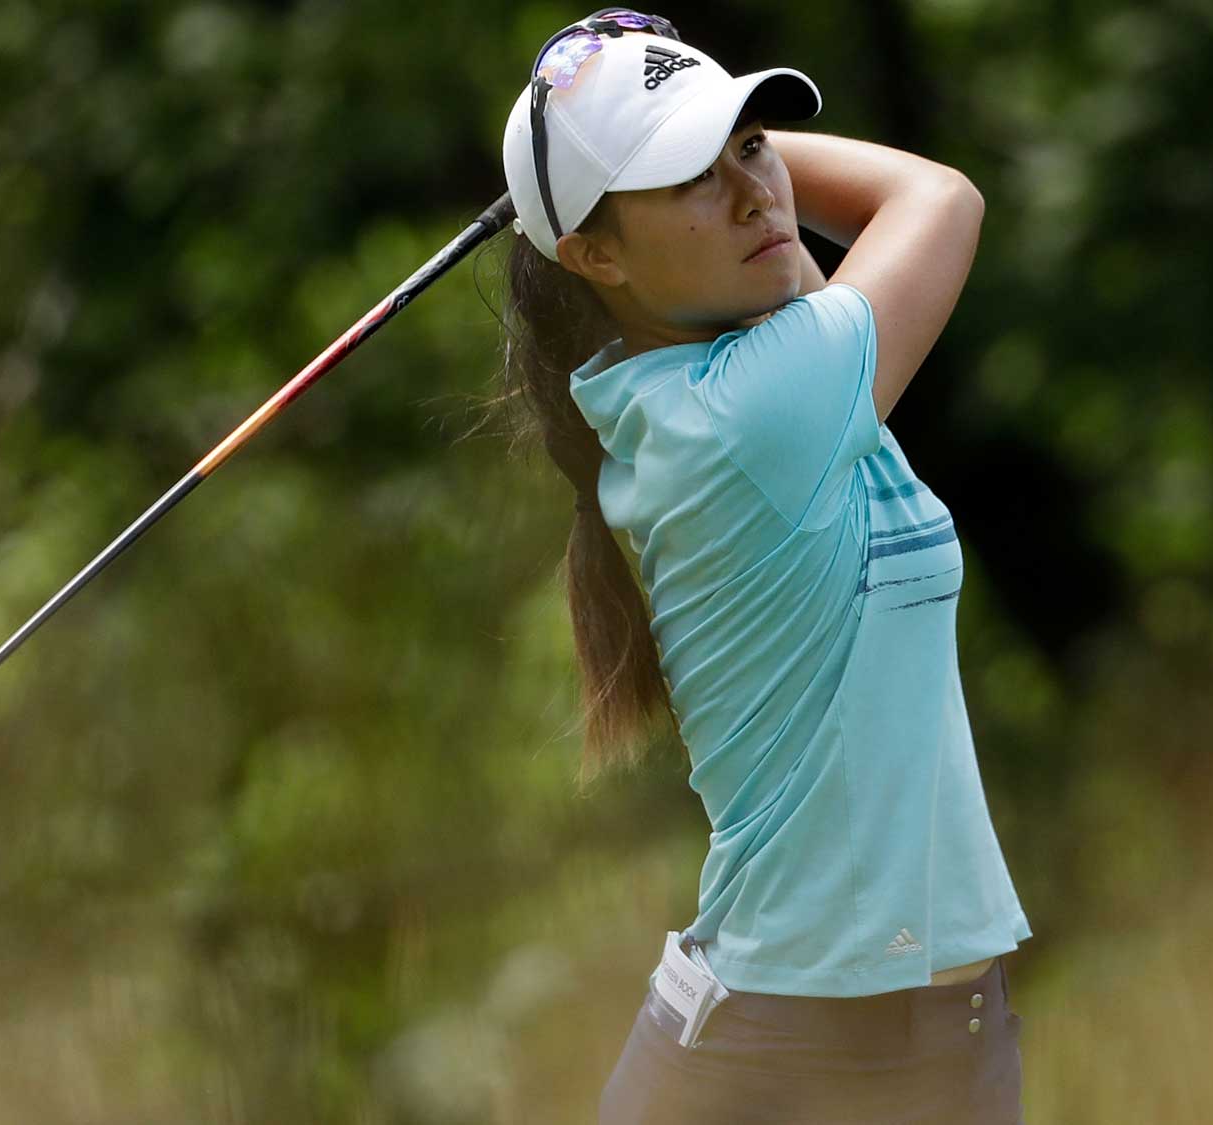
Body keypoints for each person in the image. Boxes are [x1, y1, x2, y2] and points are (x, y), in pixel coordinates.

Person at [491, 9, 1032, 1122]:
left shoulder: (701, 387)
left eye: (750, 143)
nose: (754, 191)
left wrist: (648, 144)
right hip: (798, 1067)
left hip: (917, 1046)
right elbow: (938, 198)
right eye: (687, 173)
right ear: (591, 255)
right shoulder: (750, 411)